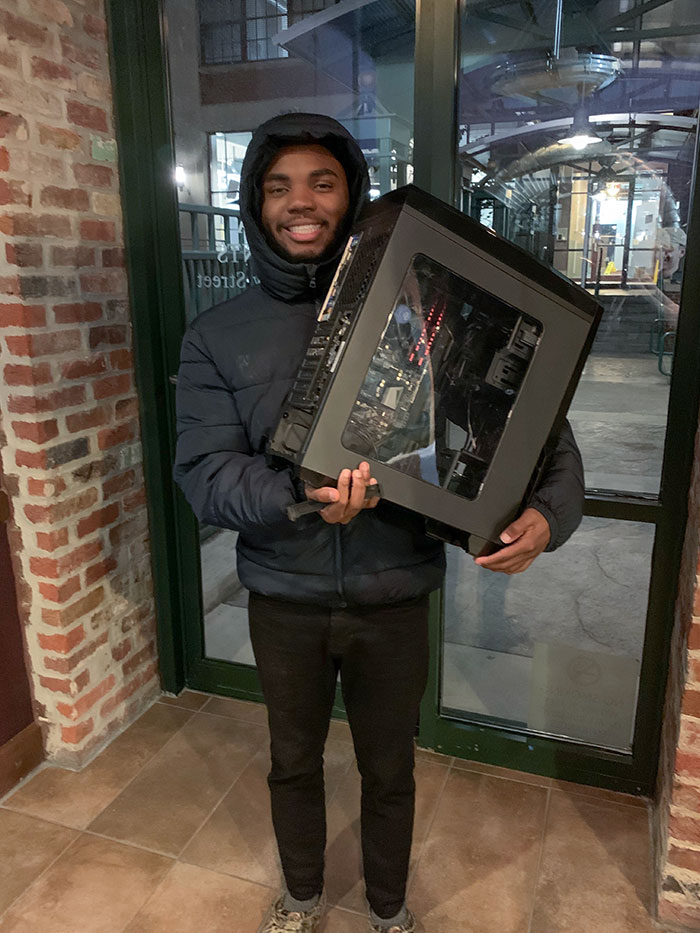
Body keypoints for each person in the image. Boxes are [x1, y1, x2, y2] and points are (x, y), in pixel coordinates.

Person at [173, 112, 585, 933]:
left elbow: (538, 430)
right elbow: (205, 473)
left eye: (322, 183)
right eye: (280, 185)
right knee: (291, 761)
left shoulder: (425, 304)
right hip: (284, 593)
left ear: (348, 195)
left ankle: (390, 911)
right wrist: (302, 491)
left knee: (389, 768)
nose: (302, 202)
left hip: (394, 592)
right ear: (257, 203)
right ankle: (300, 896)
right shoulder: (218, 335)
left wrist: (549, 513)